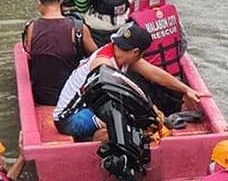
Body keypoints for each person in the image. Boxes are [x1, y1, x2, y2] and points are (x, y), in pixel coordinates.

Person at [53, 22, 206, 142]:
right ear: (136, 52)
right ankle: (96, 139)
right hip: (69, 118)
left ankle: (99, 134)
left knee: (133, 118)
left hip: (87, 107)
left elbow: (154, 73)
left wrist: (186, 89)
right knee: (127, 122)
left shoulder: (120, 53)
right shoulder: (103, 65)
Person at [23, 0, 97, 106]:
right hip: (71, 97)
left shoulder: (31, 28)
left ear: (38, 3)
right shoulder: (78, 28)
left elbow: (29, 51)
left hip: (41, 97)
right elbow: (96, 56)